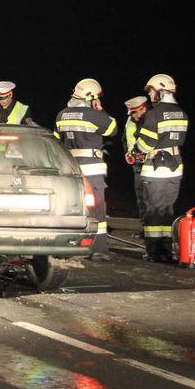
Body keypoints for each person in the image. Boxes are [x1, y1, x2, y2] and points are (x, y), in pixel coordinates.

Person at [54, 79, 118, 258]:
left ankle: (66, 248)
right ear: (91, 97)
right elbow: (112, 129)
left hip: (70, 168)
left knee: (71, 206)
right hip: (91, 168)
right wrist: (100, 109)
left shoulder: (61, 115)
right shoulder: (94, 115)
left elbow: (56, 139)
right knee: (96, 209)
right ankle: (98, 249)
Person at [136, 74, 189, 262]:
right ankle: (165, 251)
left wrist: (135, 151)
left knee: (152, 211)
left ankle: (153, 252)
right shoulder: (181, 113)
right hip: (175, 166)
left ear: (160, 91)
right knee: (167, 210)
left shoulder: (154, 114)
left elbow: (145, 144)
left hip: (155, 168)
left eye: (151, 91)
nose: (150, 95)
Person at [122, 95, 150, 234]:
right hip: (138, 165)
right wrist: (128, 154)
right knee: (141, 199)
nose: (132, 115)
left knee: (153, 198)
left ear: (143, 109)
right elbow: (125, 139)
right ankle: (145, 229)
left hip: (153, 165)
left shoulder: (152, 119)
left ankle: (155, 232)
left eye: (134, 112)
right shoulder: (130, 121)